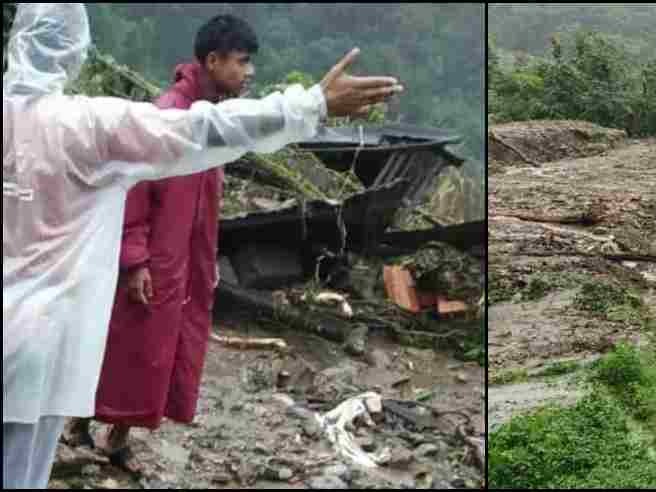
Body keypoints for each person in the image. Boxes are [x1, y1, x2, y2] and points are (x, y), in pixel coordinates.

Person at [2, 4, 403, 489]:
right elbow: (202, 130)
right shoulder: (84, 127)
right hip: (41, 341)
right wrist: (310, 105)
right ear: (74, 53)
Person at [61, 14, 265, 474]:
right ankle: (93, 429)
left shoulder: (211, 119)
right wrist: (135, 261)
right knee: (134, 350)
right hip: (155, 259)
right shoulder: (169, 113)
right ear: (212, 61)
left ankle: (101, 431)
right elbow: (134, 190)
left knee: (156, 355)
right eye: (243, 62)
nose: (249, 72)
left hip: (186, 259)